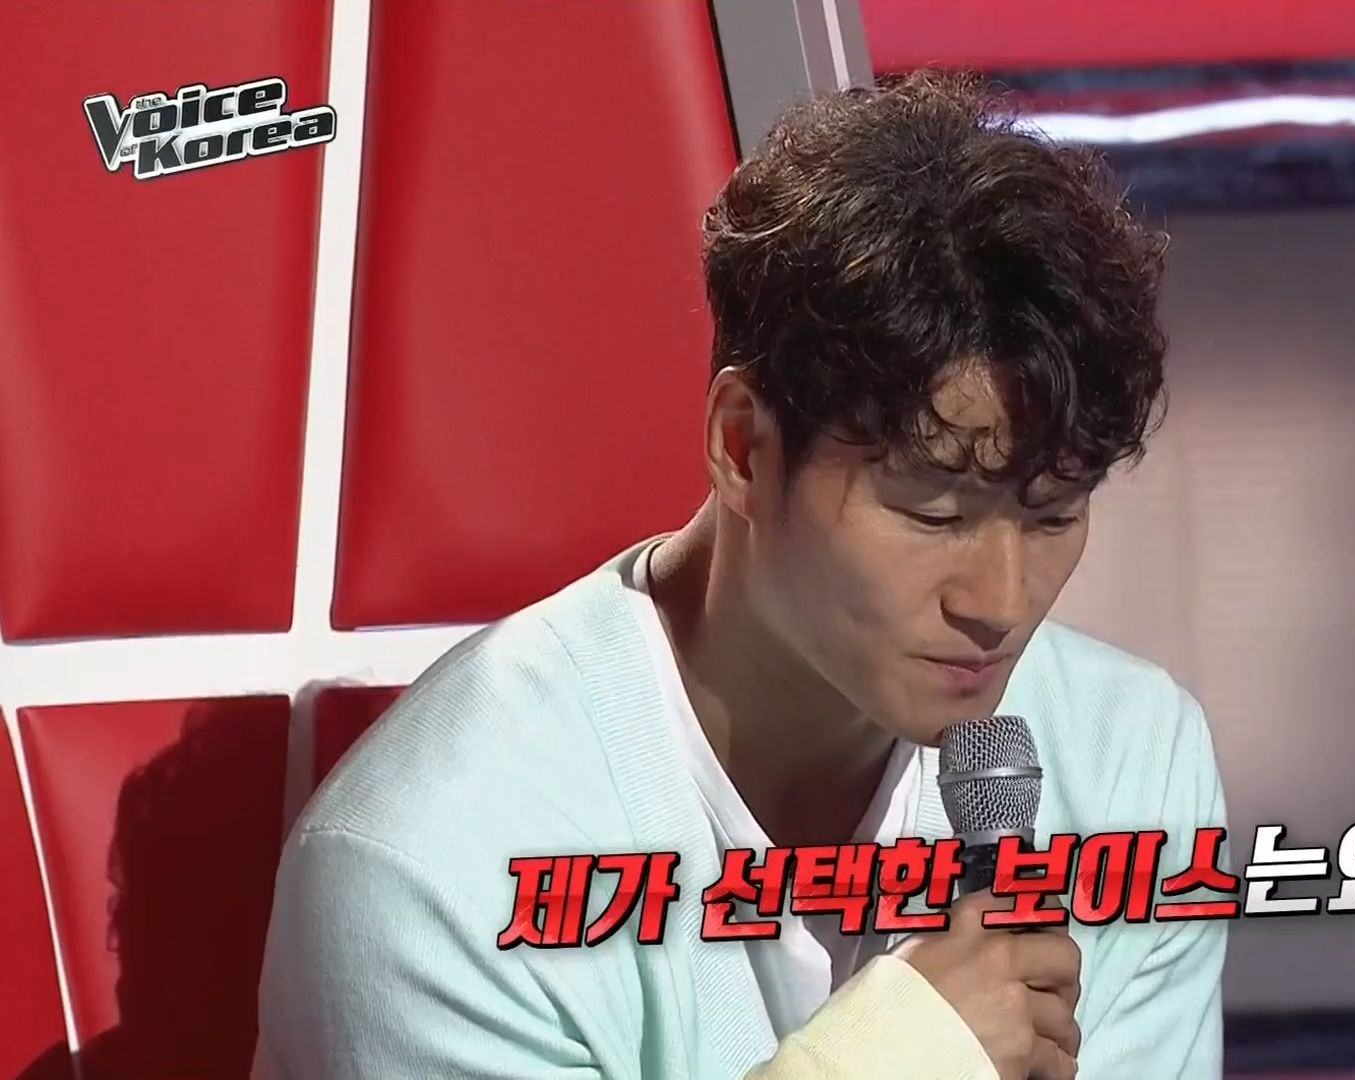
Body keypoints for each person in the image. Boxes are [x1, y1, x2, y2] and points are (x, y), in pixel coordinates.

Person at [252, 69, 1229, 1080]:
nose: (1003, 604)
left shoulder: (1130, 765)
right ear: (744, 449)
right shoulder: (435, 867)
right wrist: (906, 1054)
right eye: (933, 515)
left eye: (1054, 513)